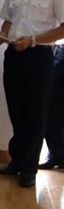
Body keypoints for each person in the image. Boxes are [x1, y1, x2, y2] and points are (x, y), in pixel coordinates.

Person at [0, 0, 64, 188]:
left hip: (40, 58)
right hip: (14, 56)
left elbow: (63, 29)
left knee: (35, 113)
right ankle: (16, 161)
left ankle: (29, 169)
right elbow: (7, 23)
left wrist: (33, 40)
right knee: (17, 112)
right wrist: (2, 36)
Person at [40, 41, 64, 169]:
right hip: (60, 51)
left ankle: (57, 154)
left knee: (53, 109)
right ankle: (57, 154)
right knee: (51, 108)